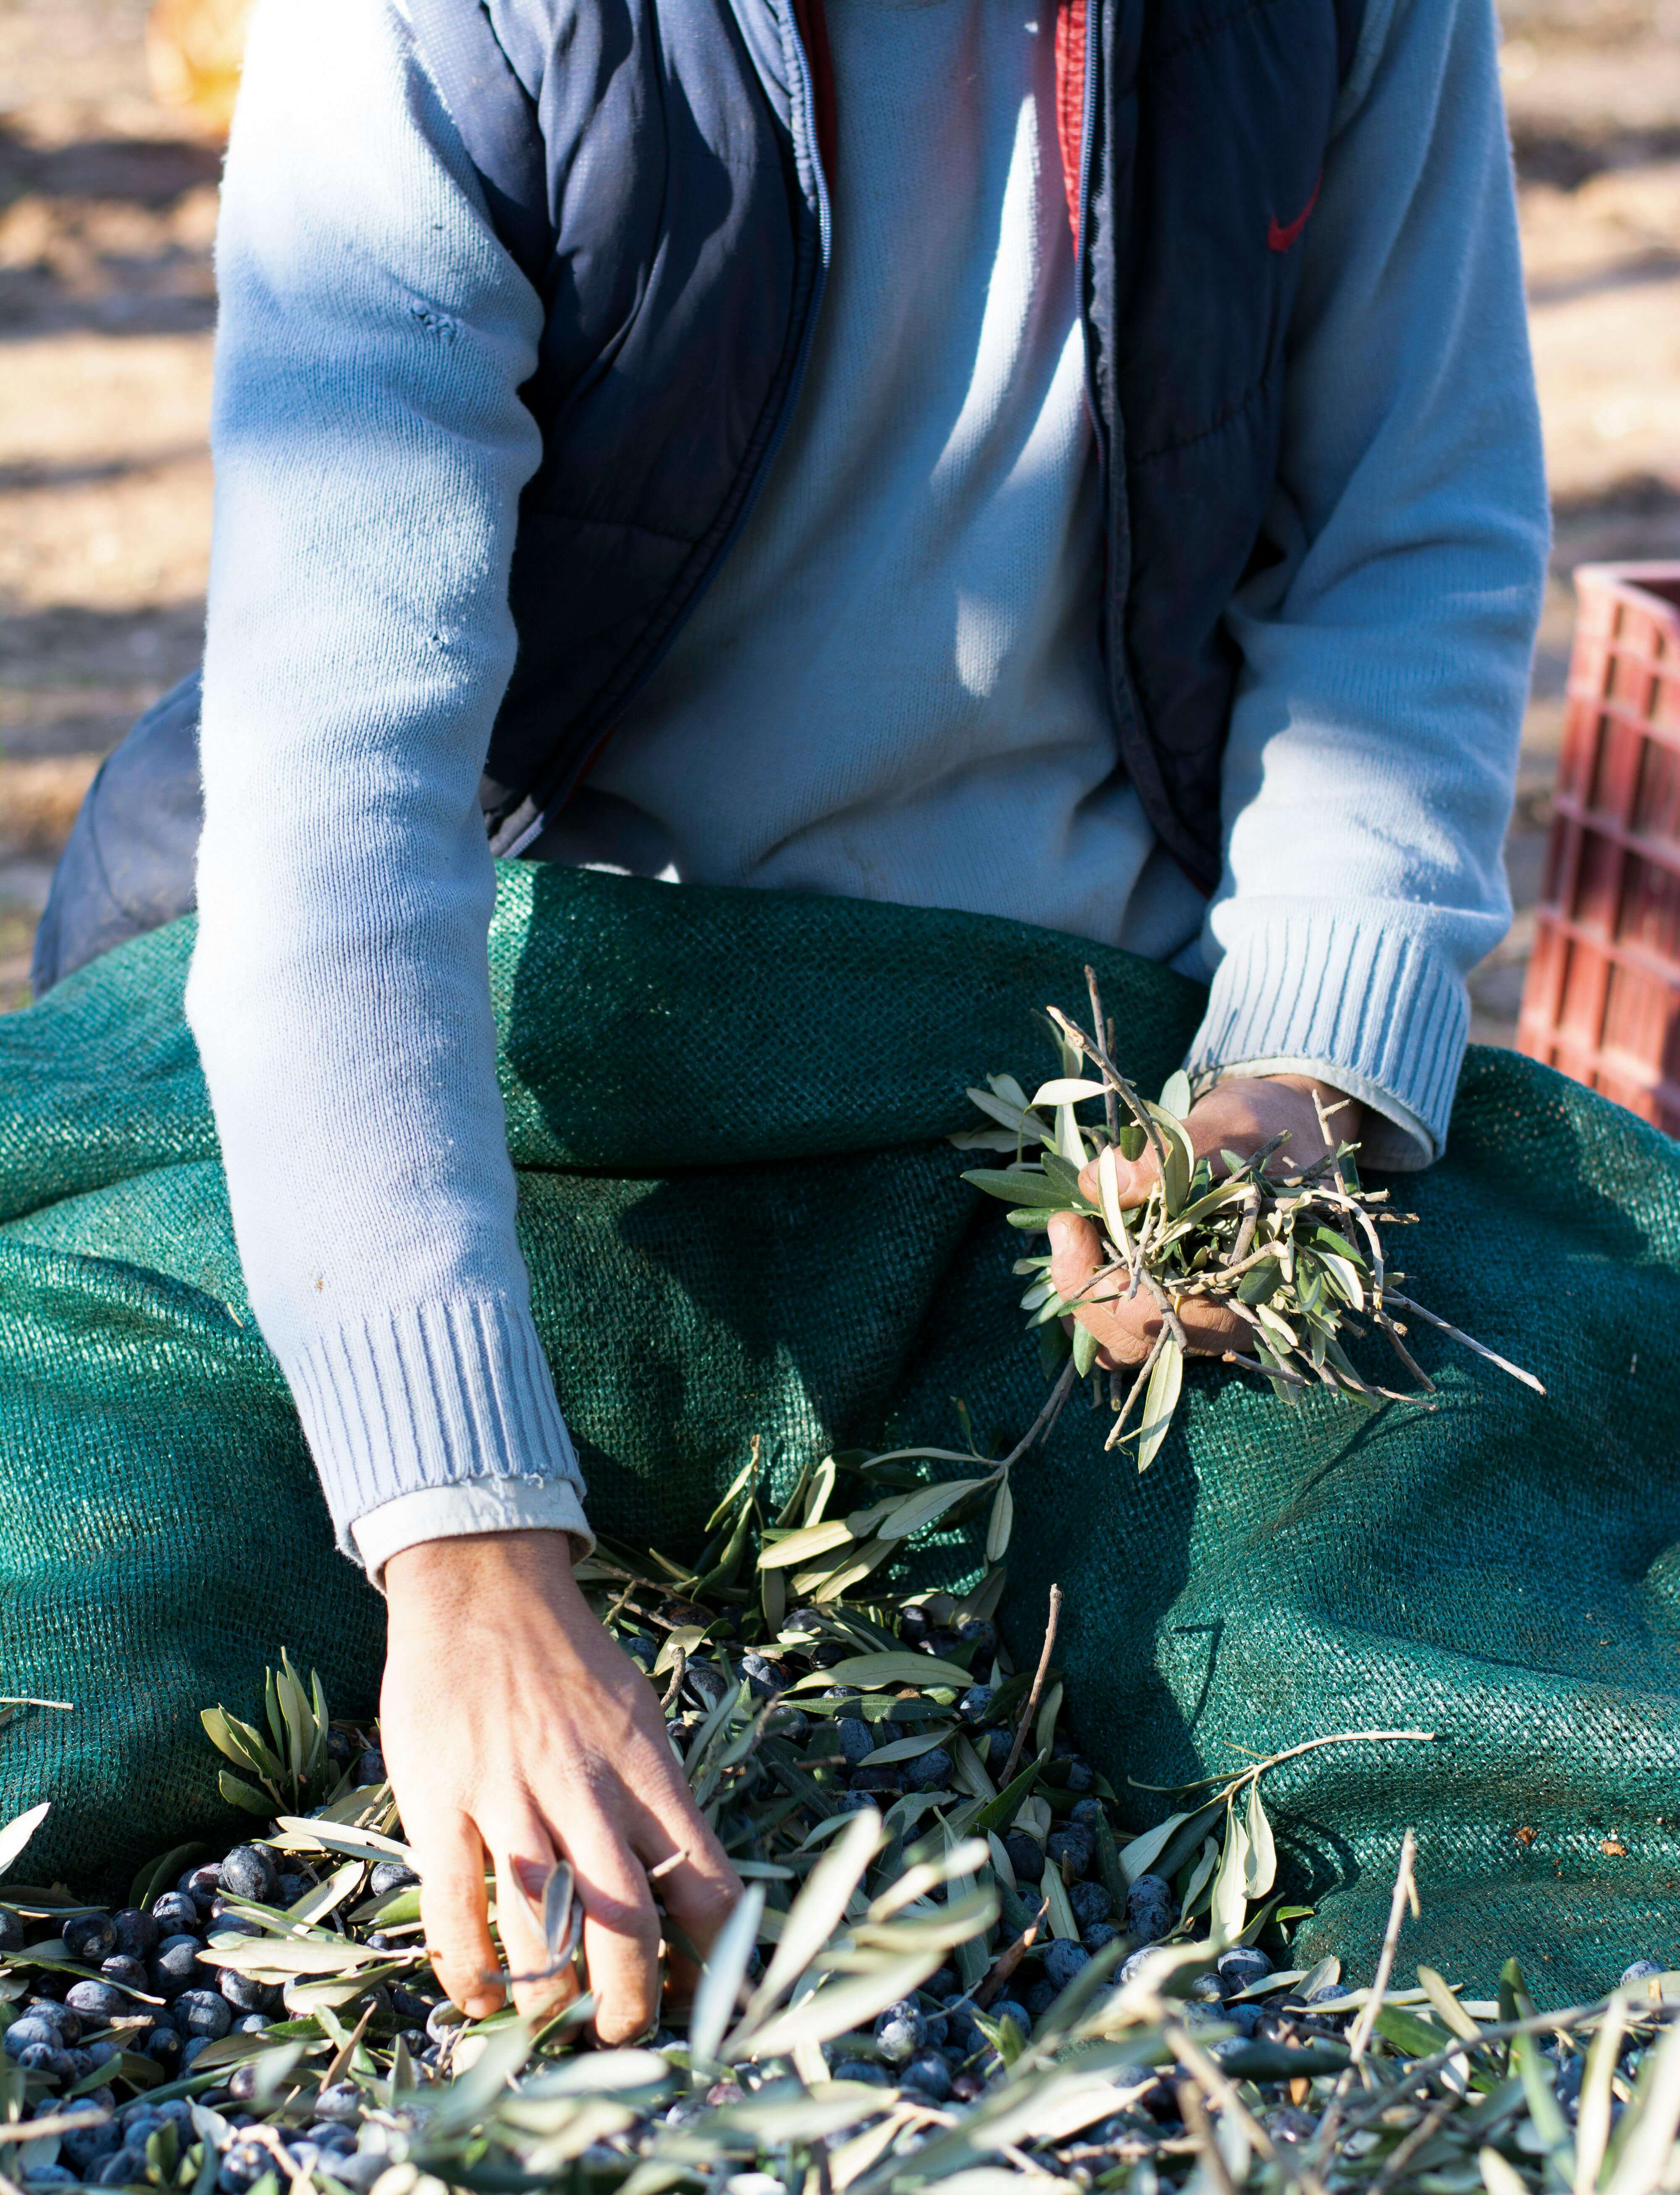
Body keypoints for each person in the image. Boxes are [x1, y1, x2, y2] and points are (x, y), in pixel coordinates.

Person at [32, 0, 1547, 2040]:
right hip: (520, 1033)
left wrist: (1292, 1067)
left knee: (1479, 1612)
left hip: (1058, 1048)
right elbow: (345, 789)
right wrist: (466, 1545)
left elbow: (1405, 533)